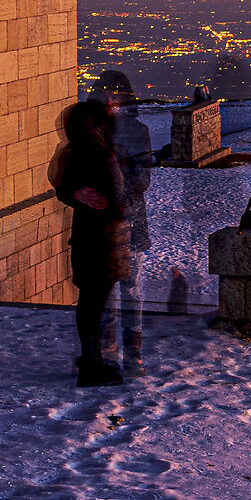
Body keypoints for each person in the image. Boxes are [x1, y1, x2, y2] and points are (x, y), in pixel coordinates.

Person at [49, 98, 128, 386]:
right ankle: (91, 365)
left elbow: (63, 187)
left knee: (91, 304)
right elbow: (118, 195)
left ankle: (91, 359)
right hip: (102, 240)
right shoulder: (97, 154)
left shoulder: (76, 152)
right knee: (94, 305)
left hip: (88, 238)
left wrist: (76, 194)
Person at [97, 69, 153, 371]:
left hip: (127, 221)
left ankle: (132, 352)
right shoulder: (92, 130)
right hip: (103, 222)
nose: (109, 99)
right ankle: (109, 351)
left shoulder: (135, 131)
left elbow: (142, 178)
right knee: (106, 291)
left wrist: (114, 189)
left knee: (130, 289)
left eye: (114, 94)